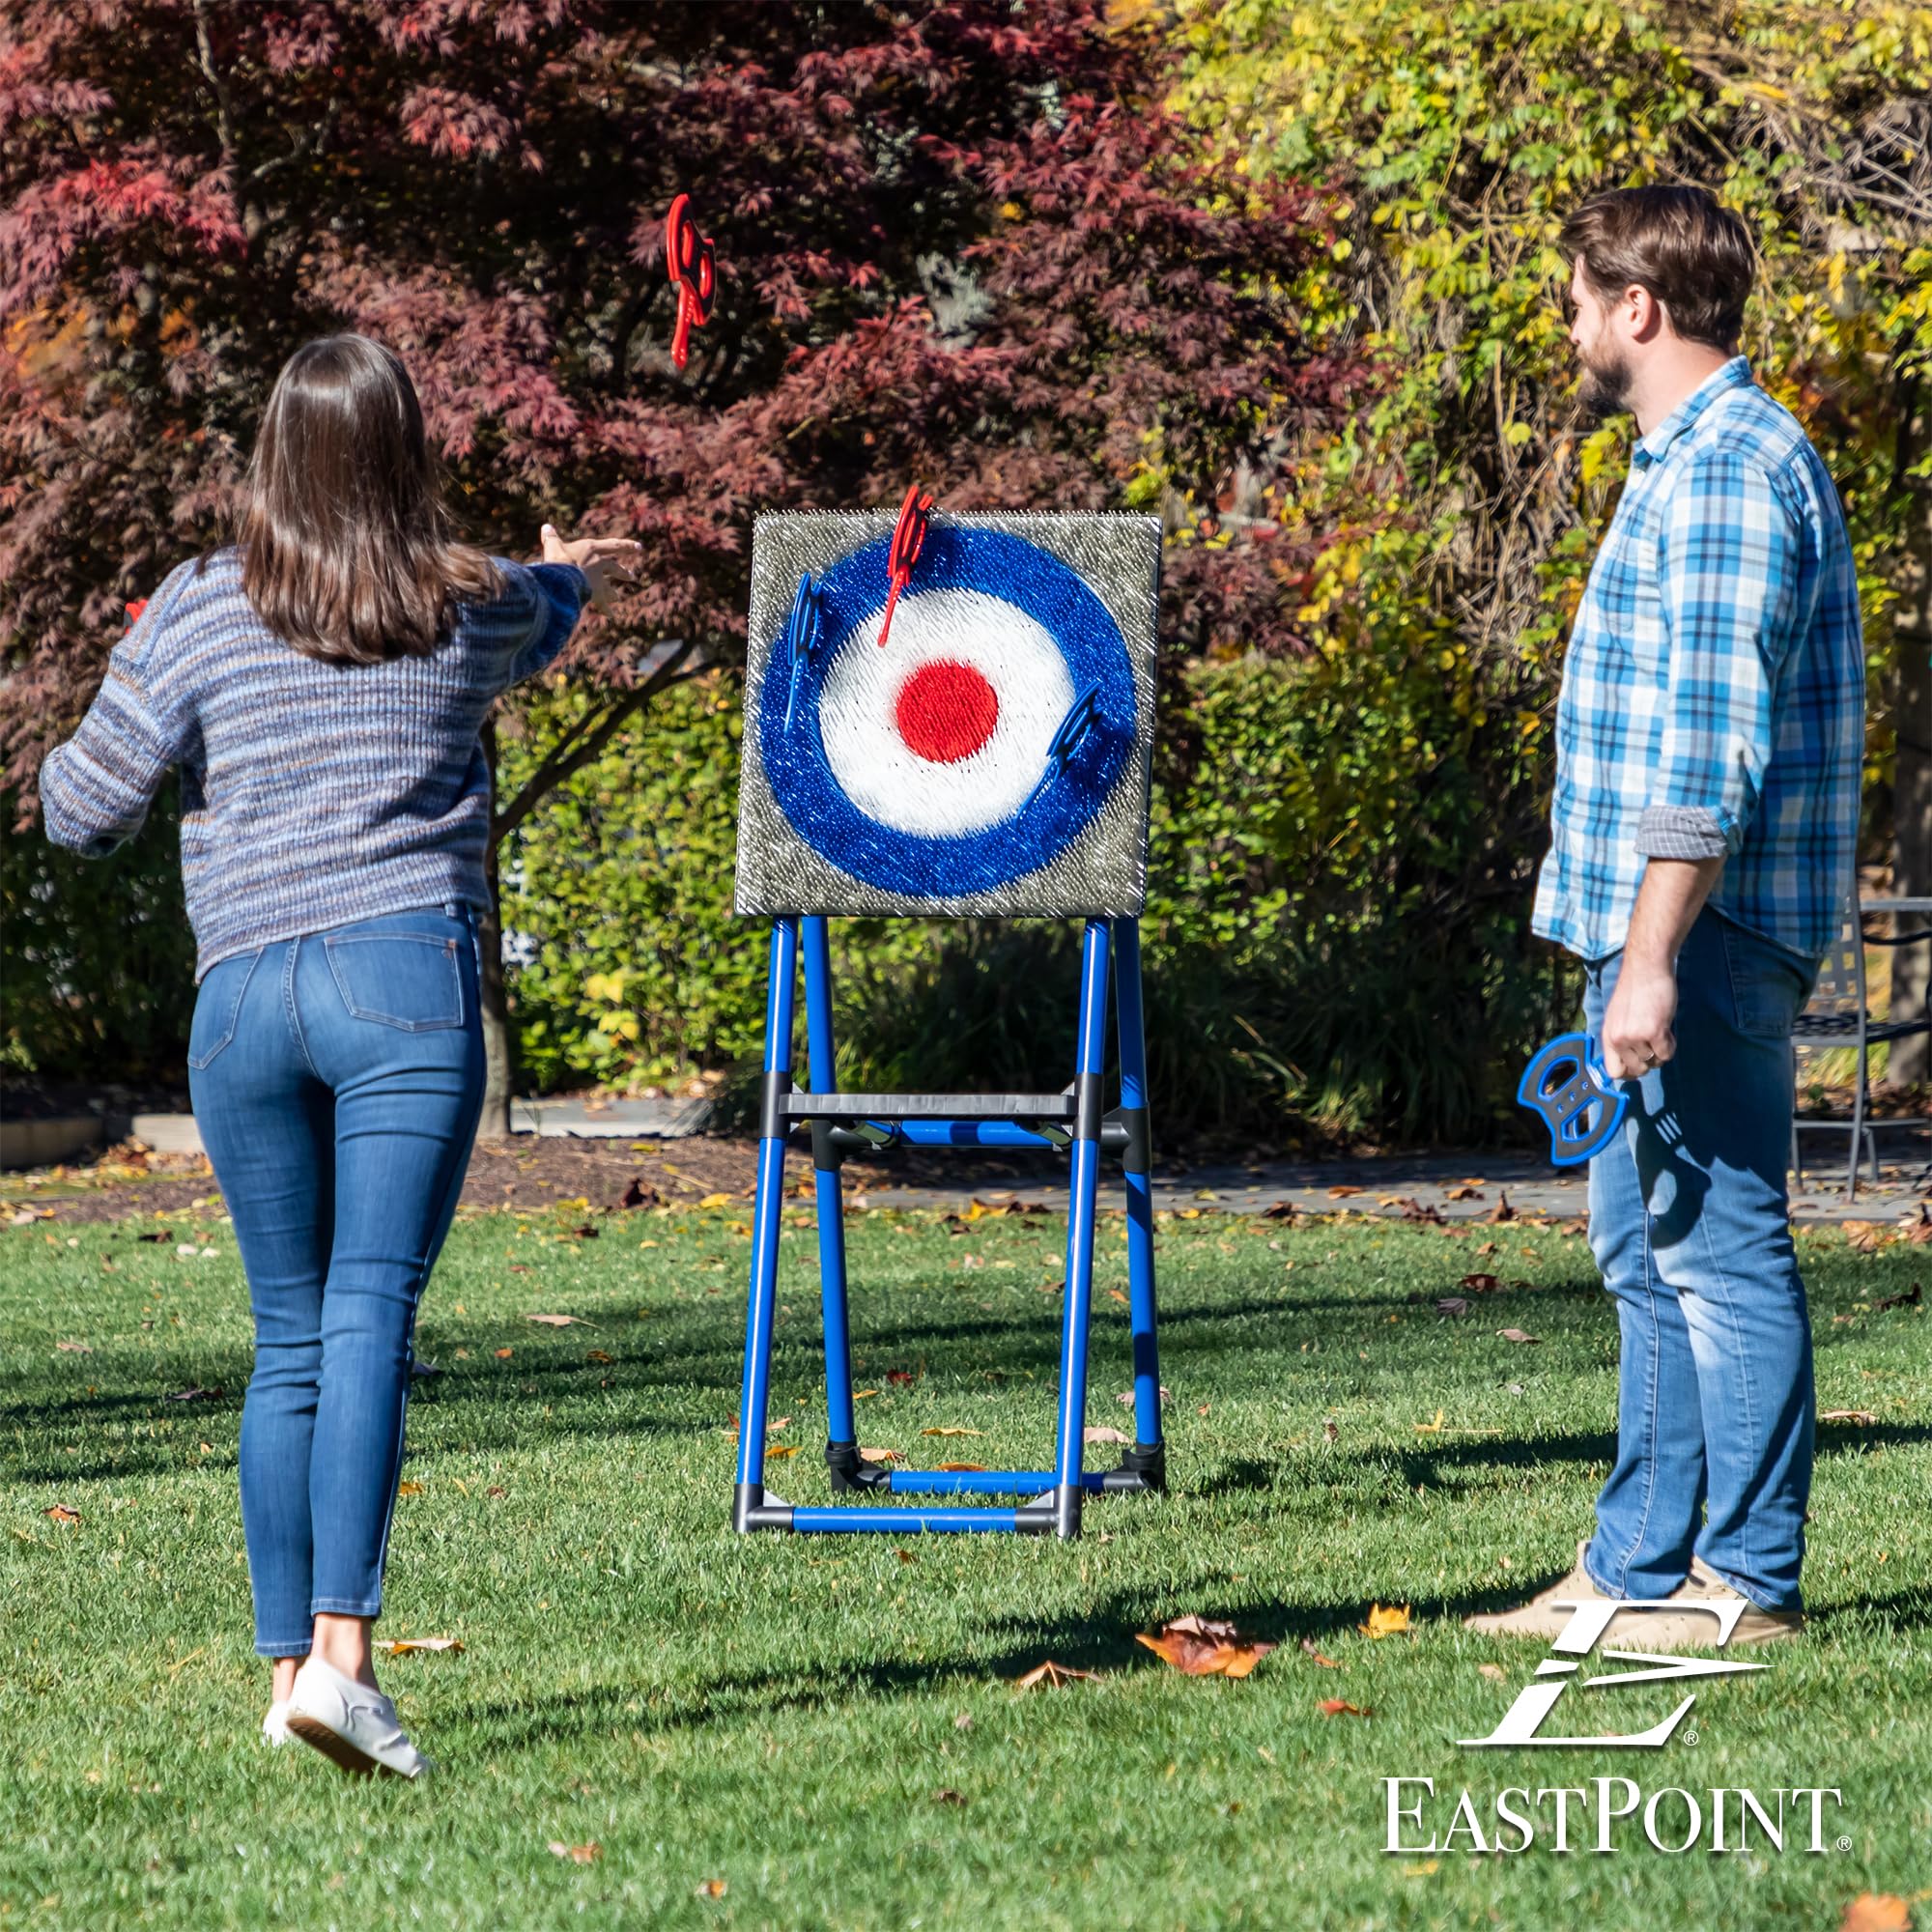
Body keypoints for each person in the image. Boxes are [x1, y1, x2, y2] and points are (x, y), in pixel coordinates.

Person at [39, 333, 641, 1775]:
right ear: (403, 455)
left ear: (270, 461)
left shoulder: (194, 610)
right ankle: (346, 1665)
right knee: (370, 1316)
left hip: (241, 1004)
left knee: (288, 1338)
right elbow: (550, 611)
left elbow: (78, 809)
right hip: (402, 989)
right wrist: (577, 573)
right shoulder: (468, 604)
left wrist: (139, 673)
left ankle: (283, 1678)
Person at [1467, 186, 1864, 1647]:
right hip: (1665, 938)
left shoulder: (1726, 473)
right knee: (1647, 1254)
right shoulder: (1683, 461)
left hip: (1701, 940)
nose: (1570, 324)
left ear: (1640, 307)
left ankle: (1747, 1584)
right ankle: (1635, 1568)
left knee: (1718, 1247)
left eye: (1579, 298)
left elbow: (1710, 749)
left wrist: (1649, 962)